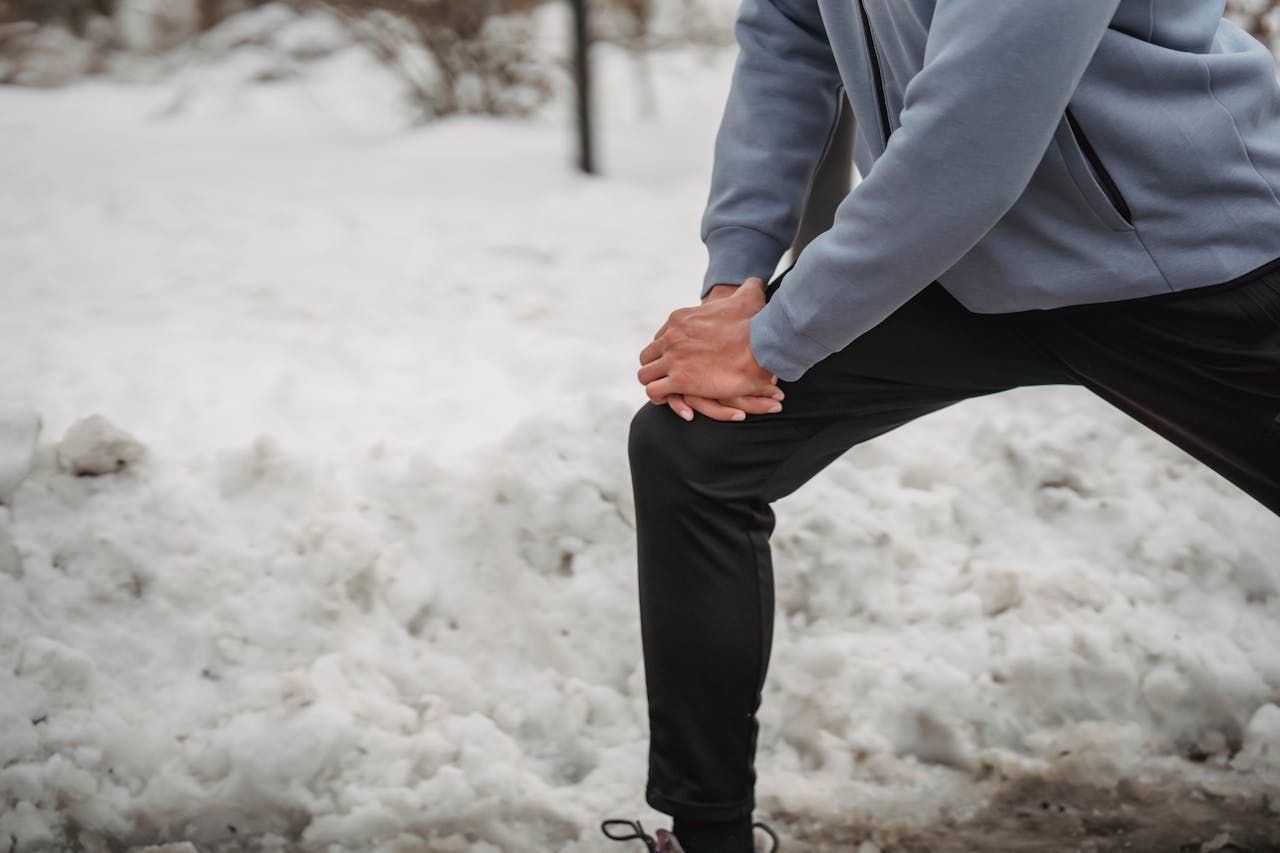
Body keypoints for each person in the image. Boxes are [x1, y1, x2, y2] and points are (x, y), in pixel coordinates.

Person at [603, 1, 1280, 851]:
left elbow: (976, 128)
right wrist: (735, 284)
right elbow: (788, 35)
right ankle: (707, 836)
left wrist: (774, 338)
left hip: (1179, 250)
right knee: (696, 446)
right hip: (951, 257)